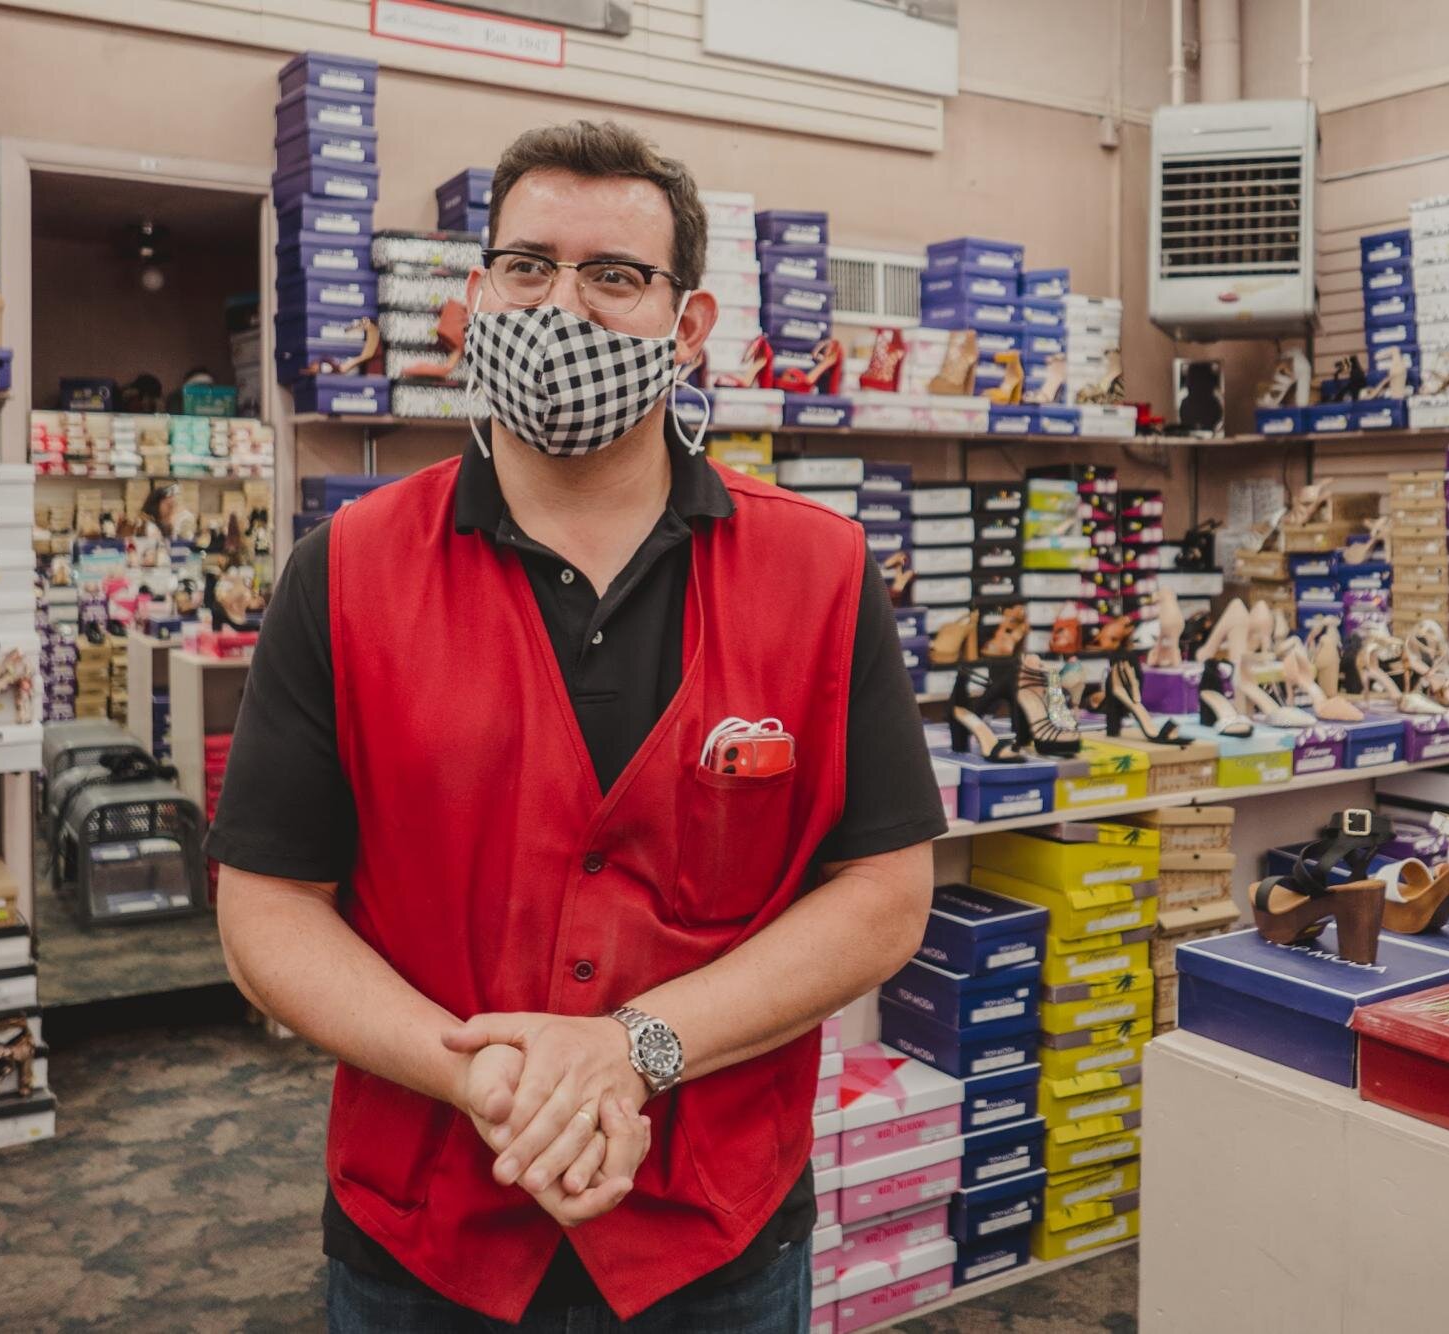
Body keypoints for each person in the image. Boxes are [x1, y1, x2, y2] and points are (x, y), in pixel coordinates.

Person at [210, 120, 945, 1333]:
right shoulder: (341, 572)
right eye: (528, 267)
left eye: (613, 276)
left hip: (715, 1236)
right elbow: (268, 908)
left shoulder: (819, 569)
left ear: (688, 325)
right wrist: (480, 1072)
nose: (562, 306)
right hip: (424, 1234)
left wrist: (634, 1047)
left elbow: (881, 893)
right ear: (475, 297)